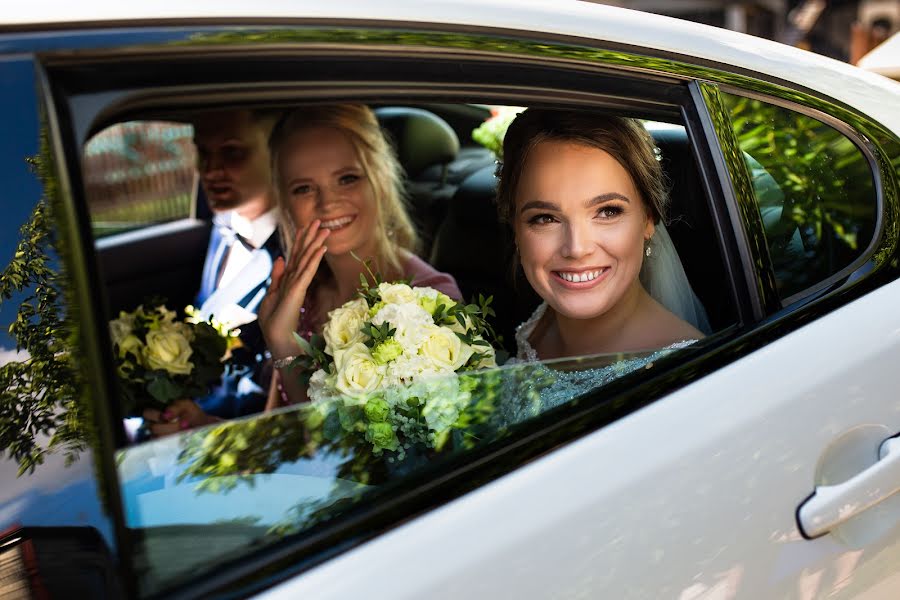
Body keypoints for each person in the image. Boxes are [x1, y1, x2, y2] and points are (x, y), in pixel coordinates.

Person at [259, 104, 462, 407]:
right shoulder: (302, 296)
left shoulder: (432, 300)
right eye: (303, 188)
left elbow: (340, 446)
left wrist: (284, 343)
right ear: (285, 204)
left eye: (347, 179)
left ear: (379, 180)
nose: (327, 202)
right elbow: (279, 430)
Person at [495, 108, 708, 363]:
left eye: (608, 212)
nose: (576, 248)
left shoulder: (688, 371)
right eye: (545, 218)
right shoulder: (543, 319)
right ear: (516, 228)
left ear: (648, 219)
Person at [141, 109, 282, 436]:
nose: (210, 169)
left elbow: (274, 395)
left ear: (277, 153)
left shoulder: (292, 253)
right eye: (203, 152)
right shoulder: (224, 226)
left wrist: (198, 423)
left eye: (233, 152)